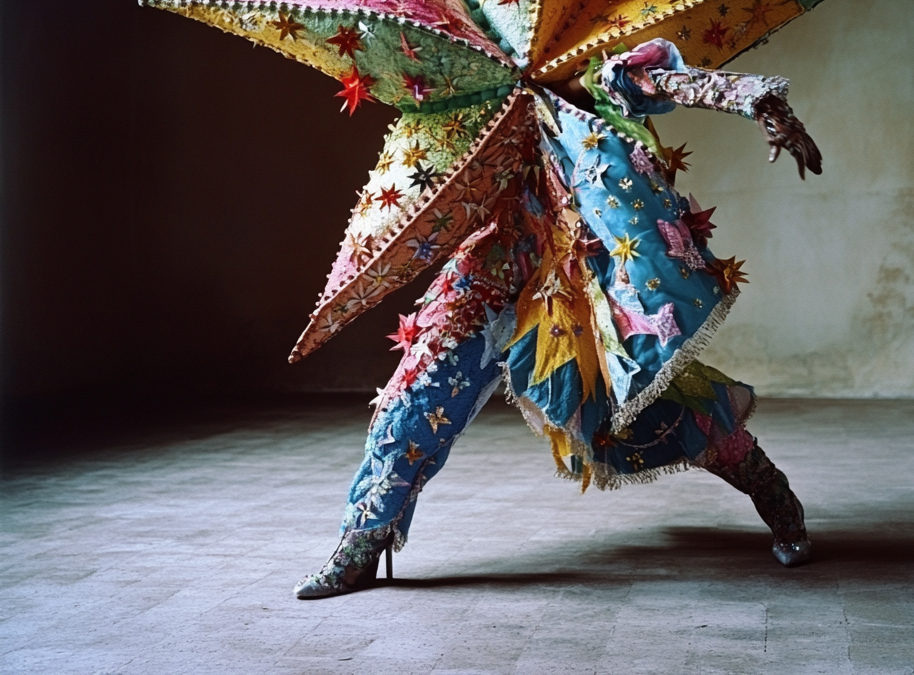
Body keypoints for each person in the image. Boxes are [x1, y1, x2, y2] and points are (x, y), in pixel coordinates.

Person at [294, 38, 820, 599]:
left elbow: (660, 80)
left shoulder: (586, 82)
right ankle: (362, 541)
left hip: (569, 282)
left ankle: (767, 486)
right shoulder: (464, 87)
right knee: (413, 397)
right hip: (484, 271)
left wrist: (763, 103)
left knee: (641, 401)